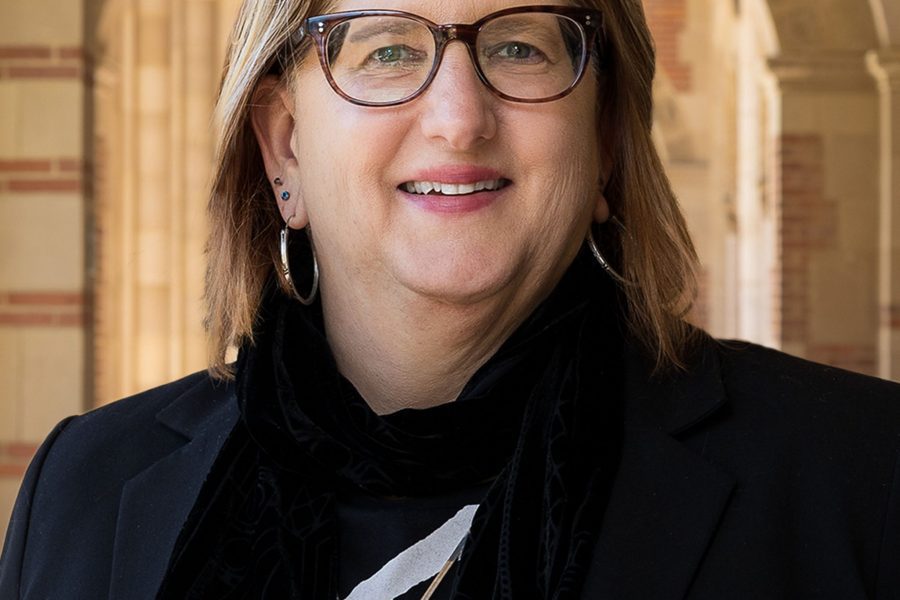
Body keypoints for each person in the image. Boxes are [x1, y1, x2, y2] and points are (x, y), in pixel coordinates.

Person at [2, 0, 899, 598]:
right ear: (283, 151)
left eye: (519, 45)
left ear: (610, 143)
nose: (459, 117)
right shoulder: (87, 488)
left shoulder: (859, 476)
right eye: (387, 50)